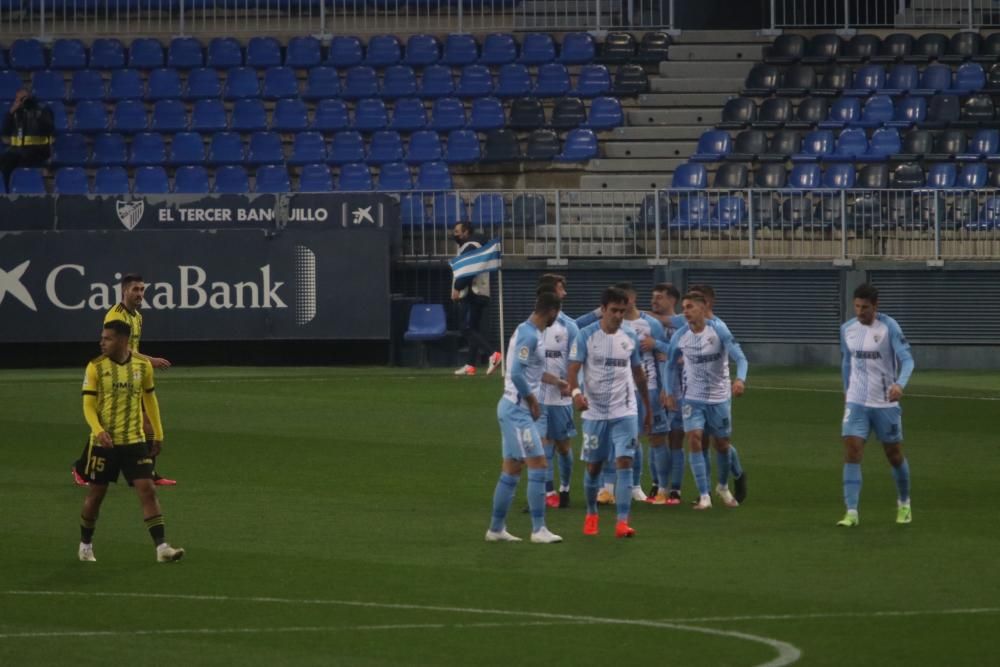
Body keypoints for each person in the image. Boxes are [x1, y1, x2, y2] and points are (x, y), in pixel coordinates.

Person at [77, 320, 184, 563]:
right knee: (96, 495)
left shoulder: (142, 366)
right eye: (102, 337)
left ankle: (162, 547)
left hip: (134, 440)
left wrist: (158, 433)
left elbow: (150, 400)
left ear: (123, 341)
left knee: (148, 490)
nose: (101, 342)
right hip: (103, 443)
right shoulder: (95, 367)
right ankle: (85, 544)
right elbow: (88, 405)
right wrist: (98, 429)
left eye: (108, 338)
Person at [72, 274, 175, 487]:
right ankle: (81, 468)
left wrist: (141, 364)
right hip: (112, 374)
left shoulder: (137, 316)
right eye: (135, 289)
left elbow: (132, 350)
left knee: (145, 424)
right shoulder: (114, 316)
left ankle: (148, 472)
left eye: (142, 290)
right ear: (124, 291)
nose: (139, 294)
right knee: (105, 424)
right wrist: (151, 360)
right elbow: (121, 348)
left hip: (132, 373)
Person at [567, 286, 652, 538]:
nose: (618, 315)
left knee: (625, 461)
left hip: (624, 409)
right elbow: (572, 370)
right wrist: (575, 394)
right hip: (594, 411)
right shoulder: (585, 335)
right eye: (613, 310)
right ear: (602, 310)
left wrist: (646, 406)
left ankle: (622, 521)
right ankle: (592, 513)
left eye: (622, 311)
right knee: (594, 466)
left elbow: (638, 372)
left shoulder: (629, 337)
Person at [485, 290, 565, 543]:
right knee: (539, 464)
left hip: (511, 408)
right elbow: (518, 373)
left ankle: (496, 529)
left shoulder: (528, 331)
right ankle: (538, 529)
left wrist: (555, 380)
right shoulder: (530, 336)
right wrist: (532, 401)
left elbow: (531, 371)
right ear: (552, 311)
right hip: (517, 411)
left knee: (511, 469)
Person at [837, 283, 915, 527]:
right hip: (857, 401)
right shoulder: (847, 329)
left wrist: (900, 384)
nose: (860, 312)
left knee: (894, 455)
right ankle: (851, 512)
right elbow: (846, 363)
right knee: (852, 451)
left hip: (885, 403)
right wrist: (845, 391)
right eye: (857, 306)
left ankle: (904, 503)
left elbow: (908, 360)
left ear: (876, 306)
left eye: (865, 307)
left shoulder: (889, 327)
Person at [665, 292, 748, 510]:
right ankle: (704, 496)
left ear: (703, 308)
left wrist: (740, 379)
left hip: (719, 397)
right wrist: (667, 390)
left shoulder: (718, 330)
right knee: (694, 438)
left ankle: (722, 486)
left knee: (722, 445)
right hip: (692, 398)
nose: (685, 311)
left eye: (690, 307)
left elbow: (740, 357)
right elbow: (670, 364)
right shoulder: (680, 335)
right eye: (684, 307)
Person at [535, 274, 579, 508]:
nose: (565, 293)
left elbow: (575, 360)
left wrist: (571, 385)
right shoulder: (531, 327)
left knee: (563, 446)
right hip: (538, 397)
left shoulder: (568, 327)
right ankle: (548, 492)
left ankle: (565, 488)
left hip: (561, 398)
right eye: (561, 288)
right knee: (543, 445)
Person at [644, 283, 687, 504]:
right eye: (653, 297)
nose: (654, 301)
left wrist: (659, 346)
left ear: (673, 300)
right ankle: (656, 484)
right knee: (655, 437)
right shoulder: (649, 325)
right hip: (656, 390)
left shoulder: (683, 321)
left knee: (676, 439)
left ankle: (675, 490)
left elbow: (686, 356)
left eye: (659, 297)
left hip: (680, 390)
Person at [451, 222, 502, 377]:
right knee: (473, 327)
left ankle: (493, 354)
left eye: (457, 231)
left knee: (466, 328)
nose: (455, 234)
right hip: (482, 291)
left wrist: (457, 287)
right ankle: (471, 364)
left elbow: (468, 270)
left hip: (472, 292)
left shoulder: (470, 246)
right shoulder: (481, 245)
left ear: (466, 232)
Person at [1, 88, 54, 189]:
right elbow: (5, 131)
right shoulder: (15, 112)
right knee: (5, 160)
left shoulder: (42, 109)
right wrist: (11, 113)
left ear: (30, 97)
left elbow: (50, 129)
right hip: (18, 151)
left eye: (23, 98)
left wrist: (37, 112)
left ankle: (22, 189)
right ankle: (6, 192)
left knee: (18, 159)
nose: (21, 101)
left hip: (39, 150)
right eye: (18, 99)